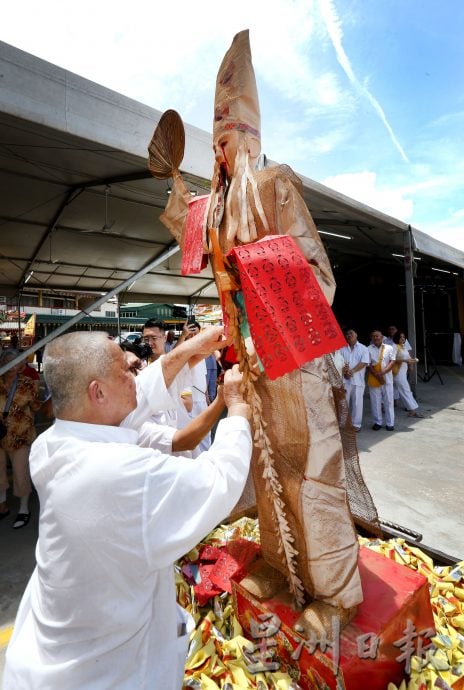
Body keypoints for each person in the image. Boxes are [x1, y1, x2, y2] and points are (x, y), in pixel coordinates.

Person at [150, 30, 379, 634]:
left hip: (292, 355)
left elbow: (315, 271)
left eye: (228, 142)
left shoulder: (275, 184)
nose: (219, 156)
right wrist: (174, 182)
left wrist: (267, 314)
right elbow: (193, 234)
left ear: (248, 140)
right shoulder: (219, 206)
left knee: (312, 470)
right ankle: (283, 565)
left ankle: (334, 593)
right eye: (214, 146)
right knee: (263, 462)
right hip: (249, 363)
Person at [4, 330, 252, 690]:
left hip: (48, 660)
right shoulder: (121, 471)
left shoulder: (53, 443)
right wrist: (238, 409)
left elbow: (140, 398)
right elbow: (218, 480)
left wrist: (187, 349)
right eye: (124, 371)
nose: (135, 377)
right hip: (106, 676)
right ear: (98, 392)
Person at [0, 348, 41, 528]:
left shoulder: (28, 383)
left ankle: (24, 508)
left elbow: (37, 406)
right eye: (11, 361)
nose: (16, 365)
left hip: (20, 435)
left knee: (20, 472)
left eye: (18, 362)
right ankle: (2, 506)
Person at [339, 328, 370, 431]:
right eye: (347, 334)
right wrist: (345, 372)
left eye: (351, 333)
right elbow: (339, 363)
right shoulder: (342, 348)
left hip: (358, 381)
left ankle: (356, 424)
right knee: (344, 403)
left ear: (356, 334)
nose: (349, 335)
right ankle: (343, 424)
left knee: (357, 403)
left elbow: (364, 362)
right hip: (345, 380)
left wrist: (351, 372)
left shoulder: (363, 348)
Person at [367, 329, 397, 431]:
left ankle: (390, 423)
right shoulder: (368, 348)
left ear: (382, 337)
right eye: (373, 336)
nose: (376, 338)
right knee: (375, 402)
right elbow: (368, 364)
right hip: (374, 377)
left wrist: (383, 373)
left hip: (387, 378)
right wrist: (376, 374)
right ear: (371, 338)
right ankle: (377, 422)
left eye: (377, 336)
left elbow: (392, 361)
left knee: (388, 401)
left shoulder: (389, 347)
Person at [392, 331, 424, 418]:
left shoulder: (403, 347)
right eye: (401, 337)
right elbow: (393, 359)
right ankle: (412, 410)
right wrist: (406, 361)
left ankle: (411, 410)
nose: (403, 338)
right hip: (397, 372)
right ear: (397, 338)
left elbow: (408, 358)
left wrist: (412, 362)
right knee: (405, 390)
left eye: (403, 337)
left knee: (400, 390)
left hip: (403, 371)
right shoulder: (394, 346)